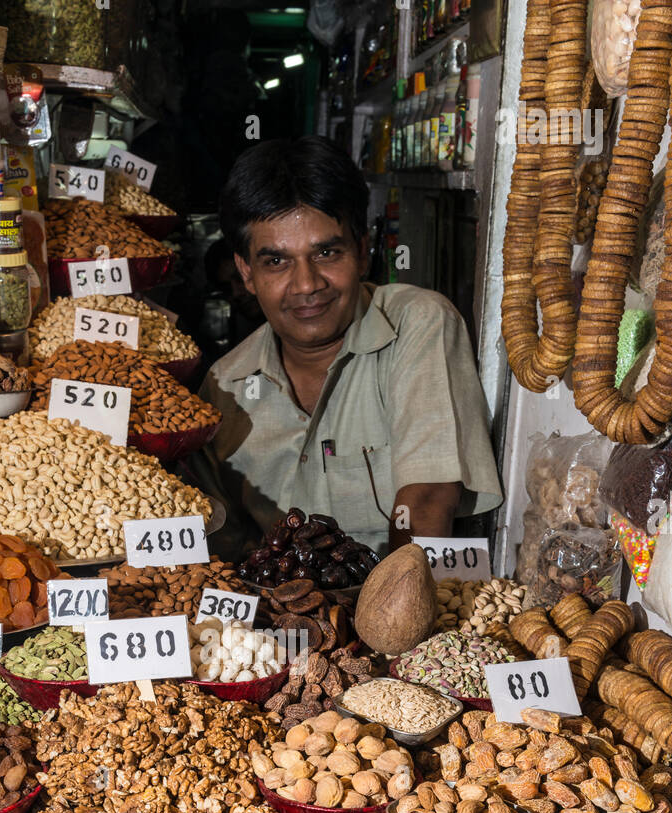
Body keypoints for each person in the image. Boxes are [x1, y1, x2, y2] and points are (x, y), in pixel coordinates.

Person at [192, 136, 502, 557]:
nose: (307, 285)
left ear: (361, 249)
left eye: (326, 253)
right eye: (276, 262)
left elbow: (427, 496)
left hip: (404, 596)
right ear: (246, 272)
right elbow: (218, 540)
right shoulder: (224, 386)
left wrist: (388, 613)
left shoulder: (417, 321)